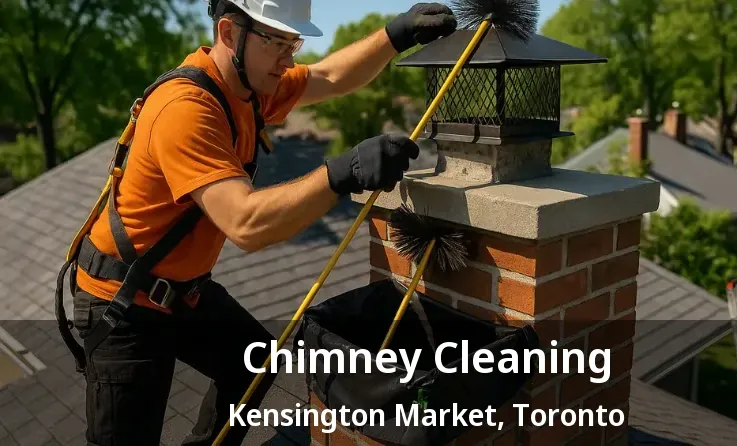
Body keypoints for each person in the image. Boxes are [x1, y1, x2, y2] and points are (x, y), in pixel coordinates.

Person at [60, 0, 457, 444]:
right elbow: (245, 223)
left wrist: (396, 34)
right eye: (277, 44)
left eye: (293, 44)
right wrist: (341, 173)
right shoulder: (186, 108)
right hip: (123, 302)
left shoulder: (249, 88)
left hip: (180, 292)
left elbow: (329, 76)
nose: (288, 60)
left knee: (252, 364)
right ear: (230, 34)